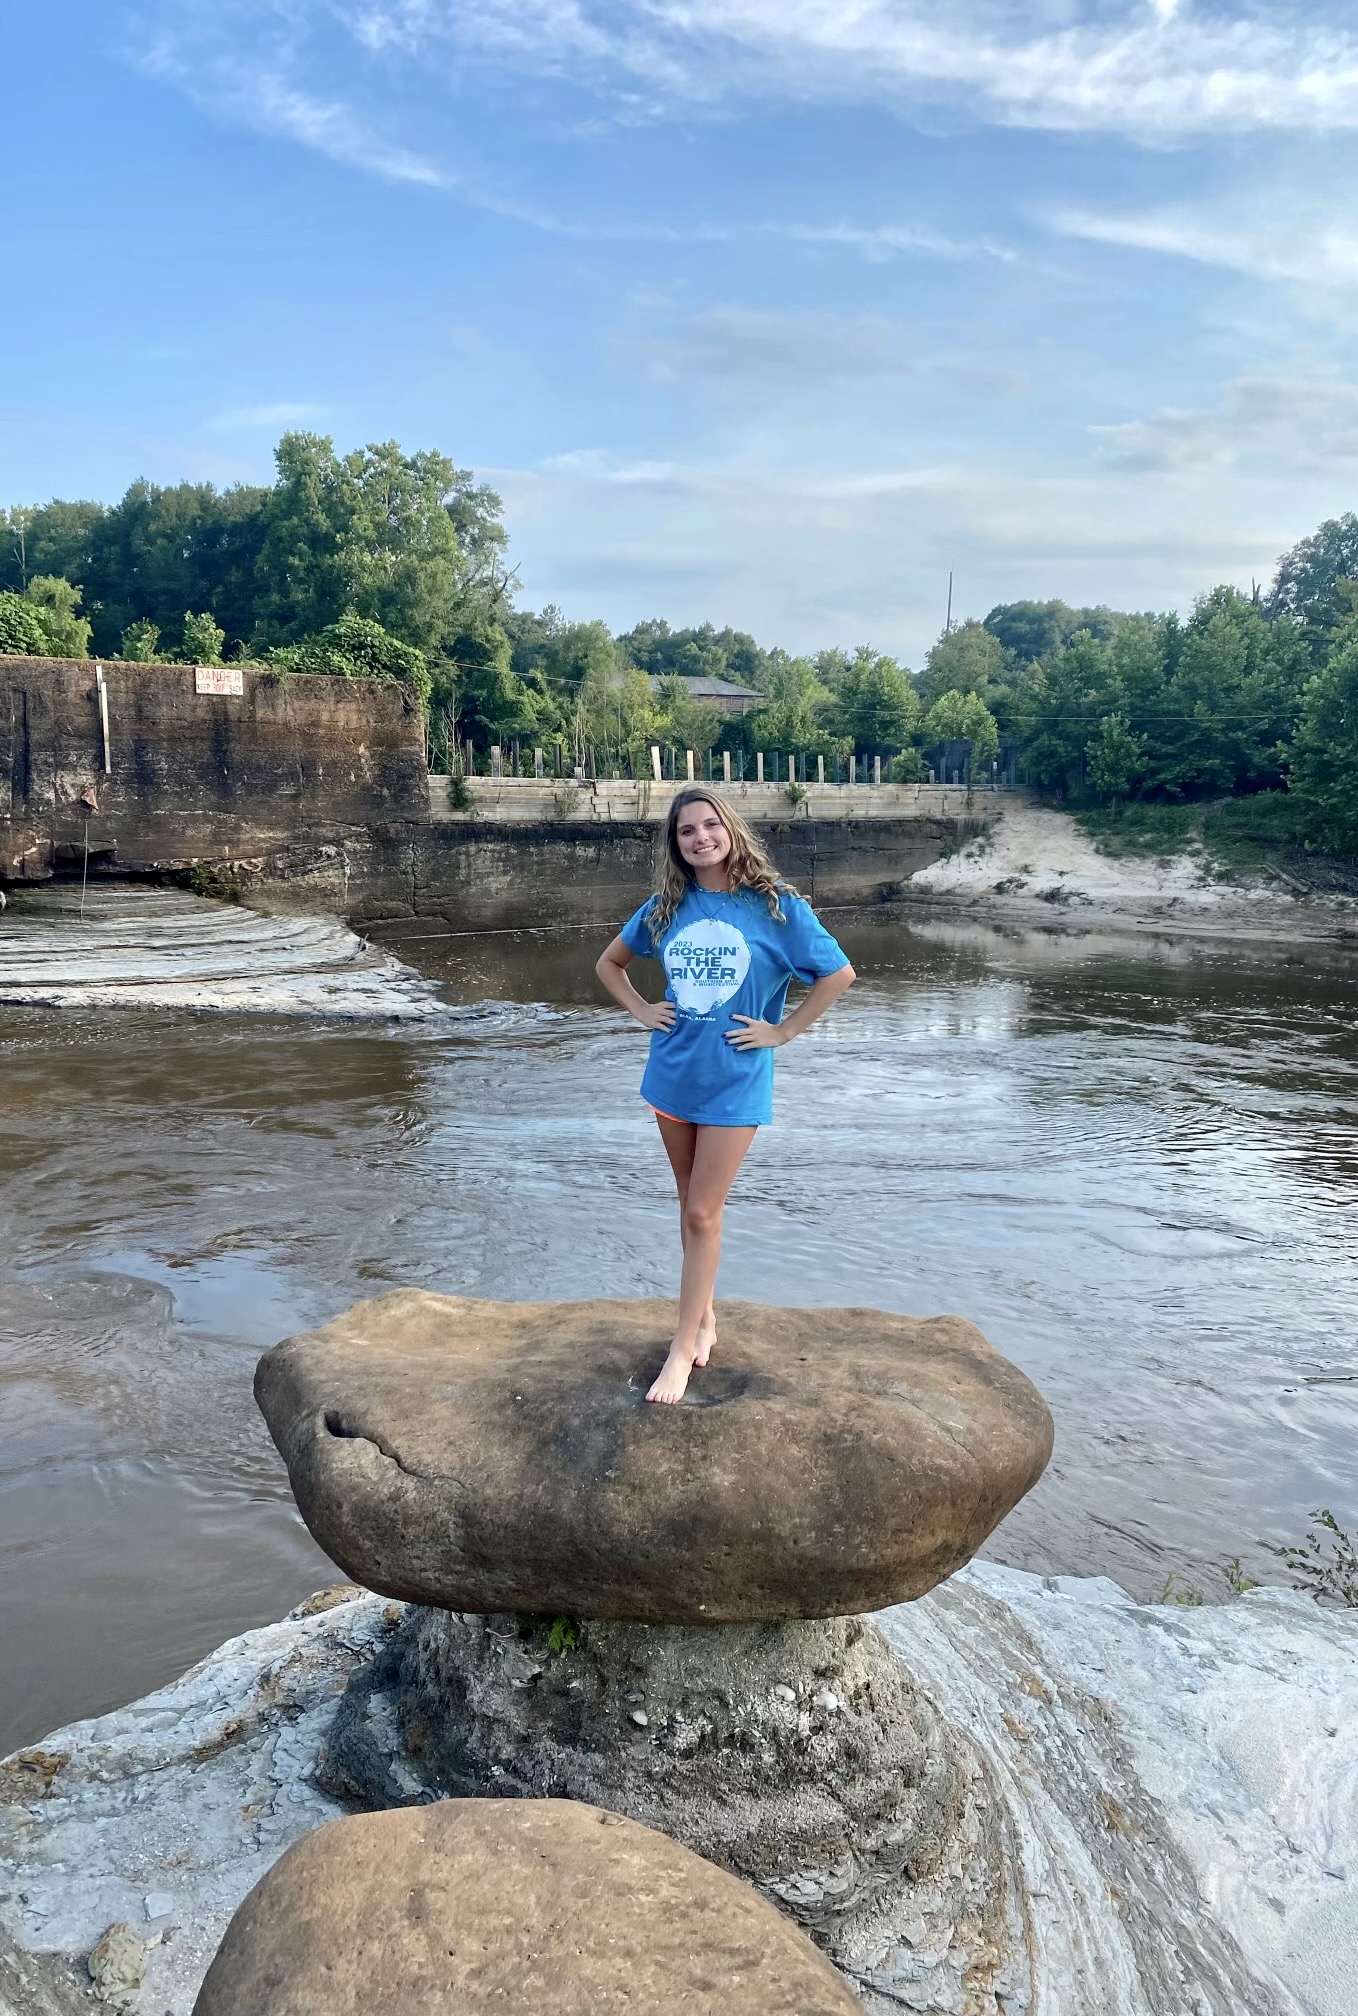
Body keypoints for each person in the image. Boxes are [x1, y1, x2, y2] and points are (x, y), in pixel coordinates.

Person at [595, 785, 856, 1404]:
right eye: (687, 831)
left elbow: (838, 973)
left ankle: (683, 1347)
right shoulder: (664, 908)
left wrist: (783, 1031)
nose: (701, 838)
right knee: (690, 1204)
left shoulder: (777, 908)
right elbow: (610, 964)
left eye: (710, 825)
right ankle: (704, 1319)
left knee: (702, 1212)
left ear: (730, 829)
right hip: (671, 1073)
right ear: (676, 843)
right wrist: (641, 1011)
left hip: (735, 1078)